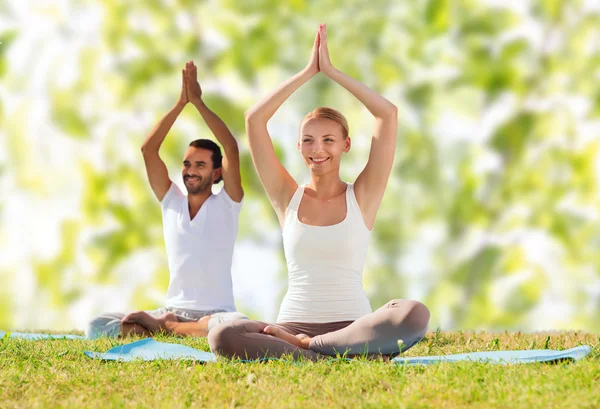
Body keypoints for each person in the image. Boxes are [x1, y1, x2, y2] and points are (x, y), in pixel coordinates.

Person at [209, 25, 430, 360]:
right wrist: (306, 72)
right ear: (299, 146)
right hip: (289, 329)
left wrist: (332, 72)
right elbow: (255, 120)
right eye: (309, 140)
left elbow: (387, 114)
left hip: (353, 329)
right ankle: (336, 355)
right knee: (223, 334)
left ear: (345, 145)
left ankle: (314, 351)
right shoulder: (287, 197)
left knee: (414, 312)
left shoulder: (363, 197)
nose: (318, 149)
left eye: (328, 140)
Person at [85, 61, 247, 339]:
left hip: (217, 313)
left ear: (217, 172)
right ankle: (172, 326)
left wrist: (198, 102)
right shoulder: (171, 201)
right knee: (96, 325)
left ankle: (163, 329)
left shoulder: (228, 203)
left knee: (236, 325)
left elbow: (230, 147)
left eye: (199, 165)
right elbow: (148, 150)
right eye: (186, 164)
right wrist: (180, 103)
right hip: (173, 309)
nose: (190, 171)